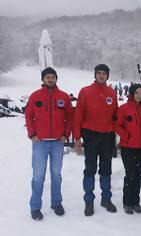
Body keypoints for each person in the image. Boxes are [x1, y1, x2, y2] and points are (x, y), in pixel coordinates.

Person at [25, 67, 73, 221]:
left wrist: (66, 134)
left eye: (53, 77)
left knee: (56, 175)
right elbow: (28, 116)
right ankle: (35, 206)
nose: (50, 79)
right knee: (38, 176)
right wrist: (32, 134)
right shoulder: (35, 96)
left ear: (56, 78)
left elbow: (70, 117)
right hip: (40, 143)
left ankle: (56, 203)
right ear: (43, 79)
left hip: (57, 143)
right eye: (47, 77)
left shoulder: (64, 97)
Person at [74, 64, 118, 216]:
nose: (101, 75)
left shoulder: (112, 92)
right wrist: (77, 138)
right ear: (95, 75)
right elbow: (78, 115)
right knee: (90, 168)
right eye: (98, 73)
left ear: (107, 76)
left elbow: (115, 115)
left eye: (104, 73)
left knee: (106, 169)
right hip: (91, 135)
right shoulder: (85, 91)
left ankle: (106, 199)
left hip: (107, 136)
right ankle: (89, 200)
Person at [114, 83, 141, 214]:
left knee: (138, 174)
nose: (139, 95)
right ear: (132, 94)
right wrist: (126, 135)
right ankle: (127, 202)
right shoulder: (124, 108)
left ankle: (136, 201)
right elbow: (116, 125)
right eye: (137, 93)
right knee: (130, 174)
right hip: (128, 147)